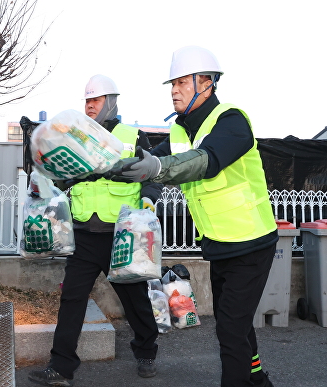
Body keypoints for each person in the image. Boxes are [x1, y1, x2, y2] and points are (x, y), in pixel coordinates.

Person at [105, 46, 277, 387]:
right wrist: (104, 168)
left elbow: (206, 160)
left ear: (207, 84)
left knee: (229, 329)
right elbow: (148, 160)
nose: (174, 90)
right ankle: (257, 380)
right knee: (238, 328)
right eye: (173, 83)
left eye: (183, 82)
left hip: (251, 241)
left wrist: (156, 167)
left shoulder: (232, 121)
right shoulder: (182, 131)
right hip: (218, 245)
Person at [28, 75, 162, 387]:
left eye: (96, 100)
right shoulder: (73, 137)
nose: (90, 106)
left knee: (136, 301)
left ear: (111, 102)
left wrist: (148, 199)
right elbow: (61, 175)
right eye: (87, 101)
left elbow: (153, 173)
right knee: (72, 299)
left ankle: (146, 352)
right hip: (84, 232)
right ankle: (61, 367)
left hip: (122, 235)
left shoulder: (132, 135)